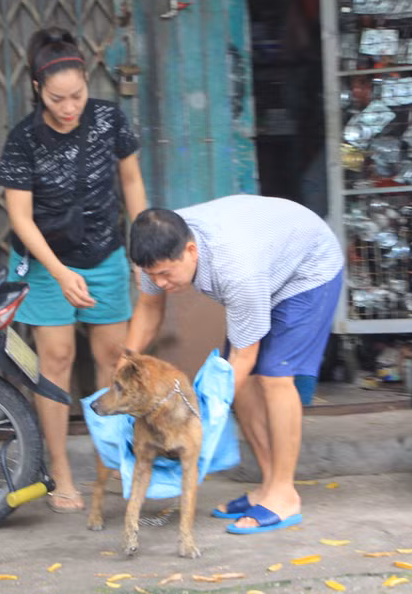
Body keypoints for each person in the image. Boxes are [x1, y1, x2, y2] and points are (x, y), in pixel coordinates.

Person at [123, 195, 344, 535]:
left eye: (167, 274)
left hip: (309, 267)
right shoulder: (154, 253)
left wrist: (194, 420)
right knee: (234, 378)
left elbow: (245, 358)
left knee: (273, 376)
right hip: (269, 257)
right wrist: (125, 366)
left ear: (191, 251)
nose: (162, 283)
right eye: (155, 275)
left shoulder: (236, 268)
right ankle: (268, 487)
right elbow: (150, 311)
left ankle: (284, 495)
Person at [0, 27, 147, 514]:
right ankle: (59, 471)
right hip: (45, 261)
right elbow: (20, 216)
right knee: (55, 360)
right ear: (38, 89)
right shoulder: (23, 139)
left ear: (86, 84)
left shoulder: (109, 120)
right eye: (58, 98)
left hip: (104, 254)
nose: (69, 107)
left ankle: (113, 463)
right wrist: (58, 272)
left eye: (77, 95)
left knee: (113, 361)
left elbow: (132, 182)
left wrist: (142, 249)